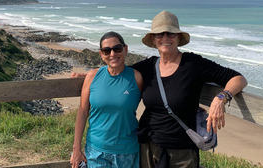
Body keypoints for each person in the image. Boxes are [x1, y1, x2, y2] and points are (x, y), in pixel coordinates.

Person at [72, 11, 248, 168]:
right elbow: (117, 68)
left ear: (178, 37)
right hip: (149, 146)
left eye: (170, 33)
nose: (165, 37)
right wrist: (90, 75)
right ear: (154, 39)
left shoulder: (193, 64)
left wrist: (221, 98)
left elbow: (238, 78)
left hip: (182, 149)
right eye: (159, 34)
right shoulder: (148, 67)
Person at [71, 31, 144, 168]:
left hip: (127, 152)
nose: (112, 54)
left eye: (117, 48)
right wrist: (76, 149)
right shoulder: (92, 77)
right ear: (101, 54)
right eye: (106, 50)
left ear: (125, 49)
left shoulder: (137, 78)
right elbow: (82, 112)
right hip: (96, 151)